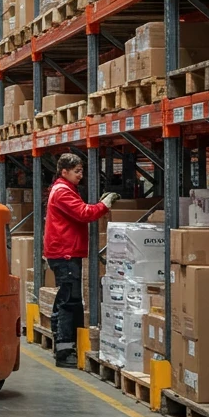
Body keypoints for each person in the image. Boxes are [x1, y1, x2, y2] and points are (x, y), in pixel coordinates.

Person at [43, 153, 118, 367]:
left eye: (82, 171)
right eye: (76, 171)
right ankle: (65, 352)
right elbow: (84, 213)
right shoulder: (62, 192)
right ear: (64, 171)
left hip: (65, 251)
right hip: (64, 253)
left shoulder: (65, 189)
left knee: (67, 298)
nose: (80, 175)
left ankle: (63, 342)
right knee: (70, 301)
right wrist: (104, 204)